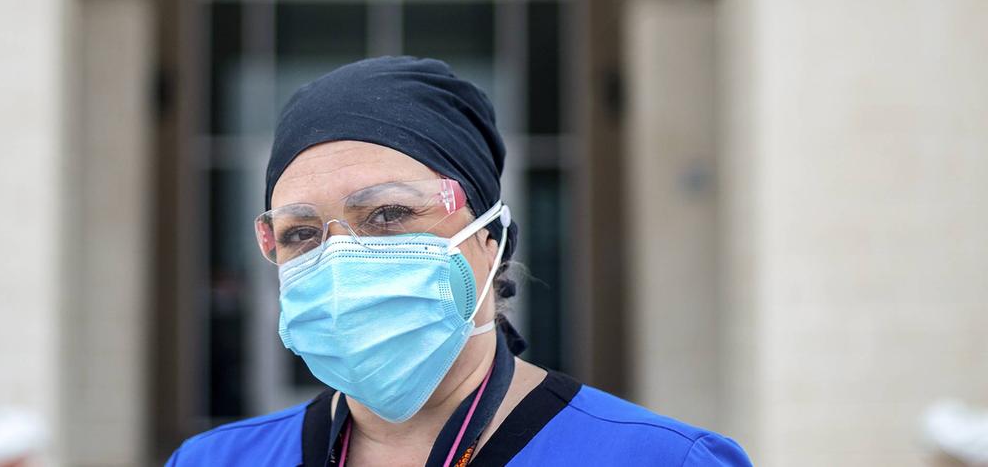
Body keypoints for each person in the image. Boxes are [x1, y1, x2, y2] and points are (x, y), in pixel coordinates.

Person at [167, 56, 752, 466]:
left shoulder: (659, 460)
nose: (341, 258)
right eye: (299, 233)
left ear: (490, 237)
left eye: (389, 214)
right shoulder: (214, 460)